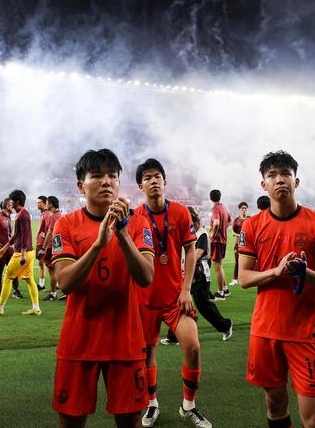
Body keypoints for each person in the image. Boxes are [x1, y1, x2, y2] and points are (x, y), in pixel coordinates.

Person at [51, 148, 154, 428]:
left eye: (112, 175)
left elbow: (146, 277)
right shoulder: (66, 225)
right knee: (70, 420)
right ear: (81, 185)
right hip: (79, 341)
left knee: (130, 420)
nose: (106, 181)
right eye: (96, 175)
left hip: (125, 340)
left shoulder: (138, 222)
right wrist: (97, 245)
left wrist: (122, 235)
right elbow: (65, 282)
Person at [238, 151, 315, 428]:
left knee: (314, 418)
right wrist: (277, 271)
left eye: (286, 174)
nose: (279, 179)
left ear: (297, 181)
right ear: (264, 185)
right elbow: (244, 278)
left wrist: (303, 272)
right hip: (265, 331)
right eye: (272, 175)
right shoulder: (252, 225)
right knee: (275, 404)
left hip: (304, 332)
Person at [135, 158, 212, 428]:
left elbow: (190, 250)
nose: (153, 181)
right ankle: (152, 403)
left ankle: (188, 405)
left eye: (157, 176)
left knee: (192, 346)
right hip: (144, 298)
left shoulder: (179, 212)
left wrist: (186, 289)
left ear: (164, 181)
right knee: (147, 353)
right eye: (147, 177)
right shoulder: (136, 217)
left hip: (175, 298)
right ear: (140, 185)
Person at [161, 207, 233, 347]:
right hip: (186, 272)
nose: (191, 225)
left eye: (192, 222)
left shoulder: (202, 234)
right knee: (179, 303)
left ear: (196, 221)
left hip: (200, 274)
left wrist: (184, 266)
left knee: (202, 304)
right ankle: (174, 336)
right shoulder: (184, 233)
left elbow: (198, 253)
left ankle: (225, 325)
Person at [0, 189, 41, 316]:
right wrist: (4, 248)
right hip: (29, 252)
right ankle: (36, 308)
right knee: (29, 279)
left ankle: (0, 308)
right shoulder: (21, 214)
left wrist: (22, 254)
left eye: (12, 201)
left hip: (22, 253)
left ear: (17, 201)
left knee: (7, 277)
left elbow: (25, 235)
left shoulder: (23, 215)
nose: (10, 203)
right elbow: (16, 235)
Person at [40, 196, 64, 301]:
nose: (46, 205)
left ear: (51, 204)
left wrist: (43, 248)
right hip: (58, 245)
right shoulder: (60, 215)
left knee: (52, 271)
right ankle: (65, 291)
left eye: (47, 203)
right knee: (59, 270)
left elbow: (50, 233)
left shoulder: (54, 216)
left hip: (52, 246)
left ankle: (53, 294)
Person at [209, 189, 230, 300]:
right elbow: (229, 221)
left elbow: (216, 223)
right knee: (219, 265)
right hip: (223, 240)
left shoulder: (215, 209)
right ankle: (225, 289)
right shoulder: (223, 207)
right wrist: (223, 230)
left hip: (217, 241)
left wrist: (213, 234)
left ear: (210, 198)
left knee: (217, 266)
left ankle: (220, 292)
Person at [230, 202, 249, 286]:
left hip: (248, 245)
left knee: (249, 262)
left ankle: (248, 278)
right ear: (240, 210)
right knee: (237, 261)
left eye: (245, 208)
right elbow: (233, 232)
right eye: (242, 208)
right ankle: (235, 279)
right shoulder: (237, 220)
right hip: (238, 244)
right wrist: (241, 236)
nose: (244, 210)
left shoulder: (250, 219)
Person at [36, 195, 53, 290]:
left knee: (44, 264)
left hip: (43, 243)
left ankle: (42, 285)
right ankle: (45, 284)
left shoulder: (47, 214)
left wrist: (44, 234)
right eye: (37, 203)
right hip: (41, 242)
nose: (37, 204)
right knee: (43, 263)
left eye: (39, 203)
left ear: (44, 203)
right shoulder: (43, 213)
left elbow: (50, 228)